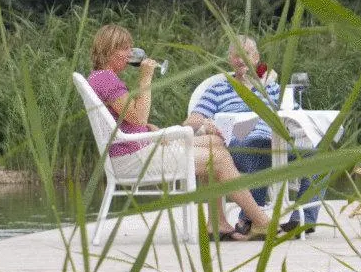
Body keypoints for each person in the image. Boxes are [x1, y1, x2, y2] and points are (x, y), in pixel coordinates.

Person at [88, 24, 276, 240]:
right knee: (220, 159)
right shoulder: (106, 79)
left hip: (135, 147)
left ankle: (218, 223)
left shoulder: (100, 77)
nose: (130, 54)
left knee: (214, 141)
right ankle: (261, 222)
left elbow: (130, 121)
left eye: (131, 48)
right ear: (108, 49)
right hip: (134, 158)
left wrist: (145, 129)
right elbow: (138, 116)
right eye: (125, 49)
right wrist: (146, 78)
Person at [184, 35, 314, 229]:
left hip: (276, 145)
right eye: (236, 55)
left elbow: (298, 116)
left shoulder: (272, 88)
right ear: (229, 58)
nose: (241, 59)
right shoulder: (218, 88)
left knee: (316, 156)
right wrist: (205, 123)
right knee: (260, 147)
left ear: (256, 57)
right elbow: (190, 121)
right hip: (238, 146)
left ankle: (302, 220)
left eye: (247, 54)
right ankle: (250, 220)